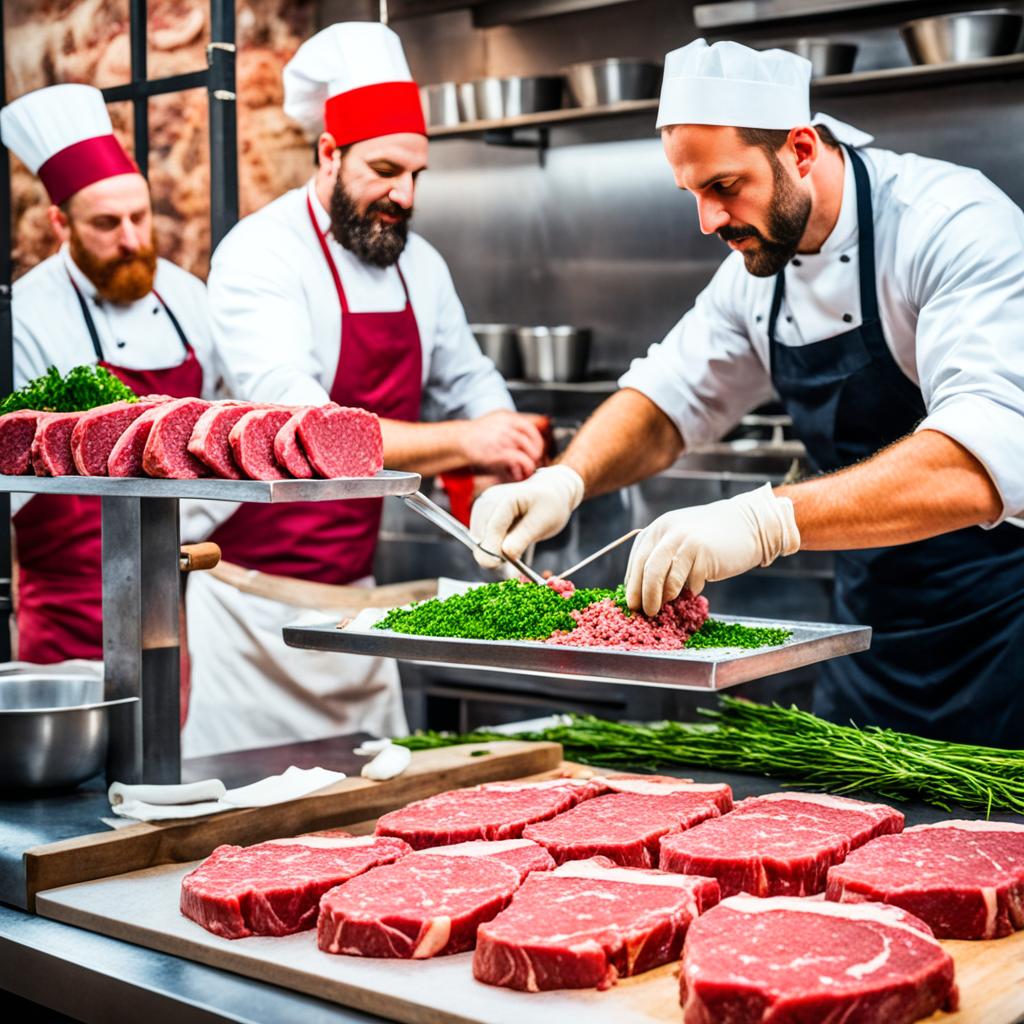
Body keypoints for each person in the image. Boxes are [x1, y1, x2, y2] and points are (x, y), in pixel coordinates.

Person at [470, 39, 1024, 746]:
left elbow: (983, 456)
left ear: (800, 150)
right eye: (693, 195)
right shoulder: (758, 267)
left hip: (1000, 630)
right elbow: (669, 398)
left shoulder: (949, 225)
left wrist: (765, 521)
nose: (708, 221)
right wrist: (566, 478)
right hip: (868, 634)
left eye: (725, 187)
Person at [182, 22, 544, 757]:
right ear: (329, 153)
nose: (403, 195)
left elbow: (468, 377)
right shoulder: (260, 254)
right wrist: (466, 442)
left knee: (377, 812)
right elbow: (303, 423)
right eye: (384, 170)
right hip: (251, 617)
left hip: (358, 610)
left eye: (416, 176)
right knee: (243, 815)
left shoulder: (422, 266)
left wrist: (502, 444)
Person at [0, 84, 217, 664]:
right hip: (65, 605)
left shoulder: (186, 296)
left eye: (139, 217)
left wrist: (186, 526)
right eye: (106, 223)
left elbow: (226, 419)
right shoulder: (24, 314)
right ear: (60, 223)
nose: (131, 240)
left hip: (168, 594)